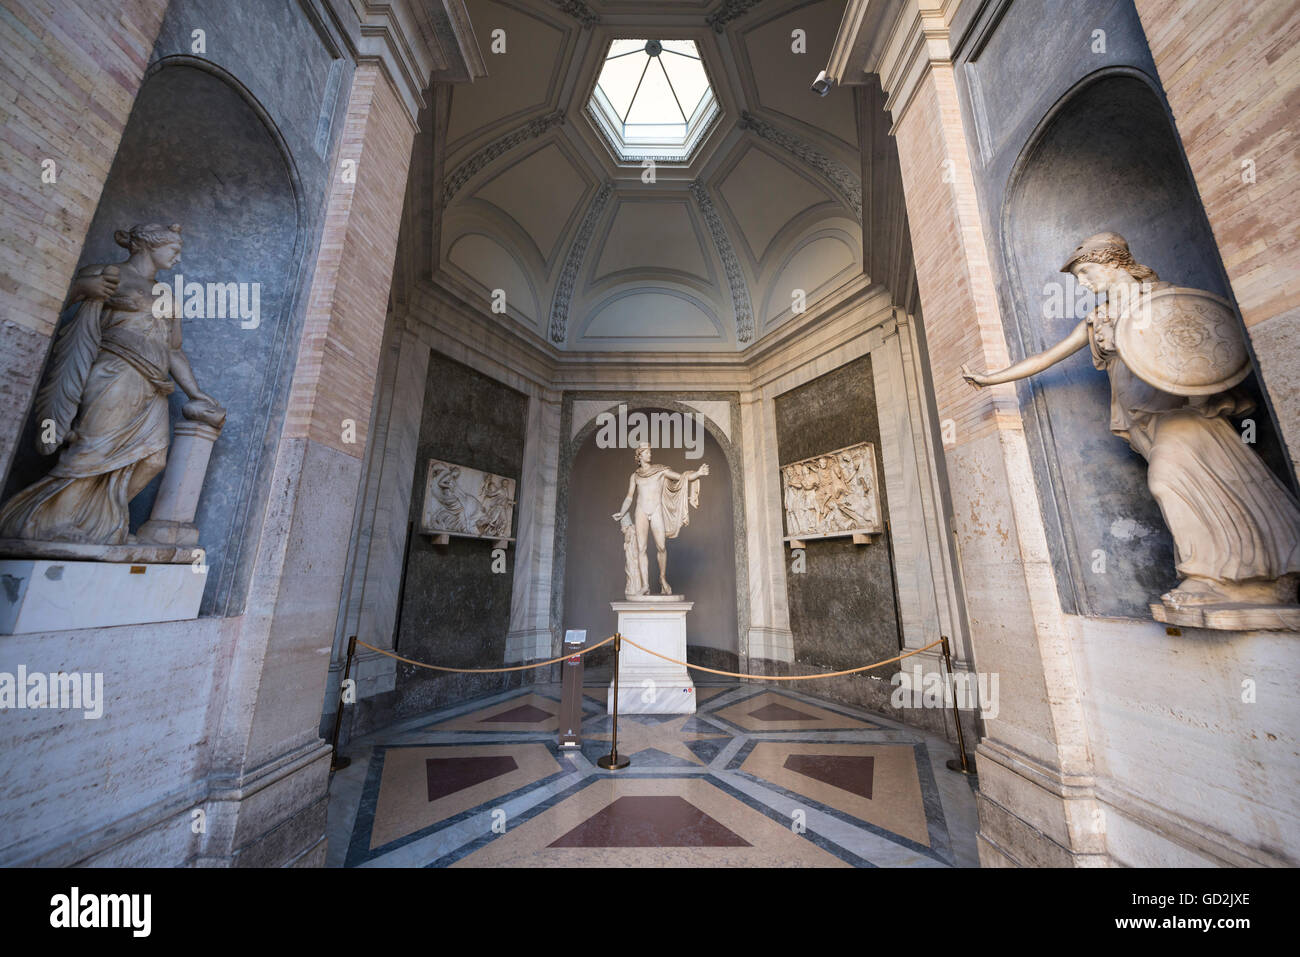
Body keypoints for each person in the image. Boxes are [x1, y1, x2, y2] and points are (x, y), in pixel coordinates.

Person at [962, 232, 1300, 610]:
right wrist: (992, 378)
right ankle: (1259, 573)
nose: (1084, 283)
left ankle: (1206, 576)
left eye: (1087, 273)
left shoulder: (1164, 298)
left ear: (1113, 263)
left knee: (1167, 480)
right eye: (1079, 279)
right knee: (1218, 484)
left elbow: (1204, 341)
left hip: (1179, 413)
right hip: (1144, 421)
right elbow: (1046, 357)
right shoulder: (1099, 316)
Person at [0, 223, 223, 544]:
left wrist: (196, 392)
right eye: (173, 251)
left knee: (153, 459)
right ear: (148, 247)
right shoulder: (107, 273)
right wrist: (81, 288)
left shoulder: (165, 295)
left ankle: (99, 526)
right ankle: (50, 523)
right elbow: (52, 306)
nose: (178, 258)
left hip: (153, 385)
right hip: (114, 374)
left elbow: (173, 350)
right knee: (91, 451)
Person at [612, 444, 709, 596]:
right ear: (640, 455)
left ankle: (662, 578)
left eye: (650, 451)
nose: (650, 454)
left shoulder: (660, 471)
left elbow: (682, 477)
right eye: (646, 452)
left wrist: (697, 473)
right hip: (641, 511)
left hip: (656, 509)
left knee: (661, 547)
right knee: (641, 548)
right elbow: (629, 497)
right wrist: (622, 511)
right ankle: (645, 586)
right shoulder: (635, 476)